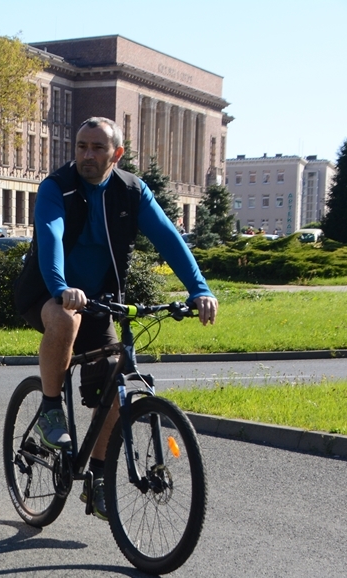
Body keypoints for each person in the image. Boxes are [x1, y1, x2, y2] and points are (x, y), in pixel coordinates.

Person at [25, 116, 217, 520]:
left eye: (97, 147)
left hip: (100, 300)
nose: (87, 155)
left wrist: (199, 289)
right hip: (47, 289)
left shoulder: (132, 191)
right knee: (66, 321)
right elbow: (51, 236)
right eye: (81, 146)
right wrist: (61, 287)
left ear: (117, 154)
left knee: (115, 384)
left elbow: (168, 238)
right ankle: (50, 408)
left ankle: (97, 479)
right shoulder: (57, 187)